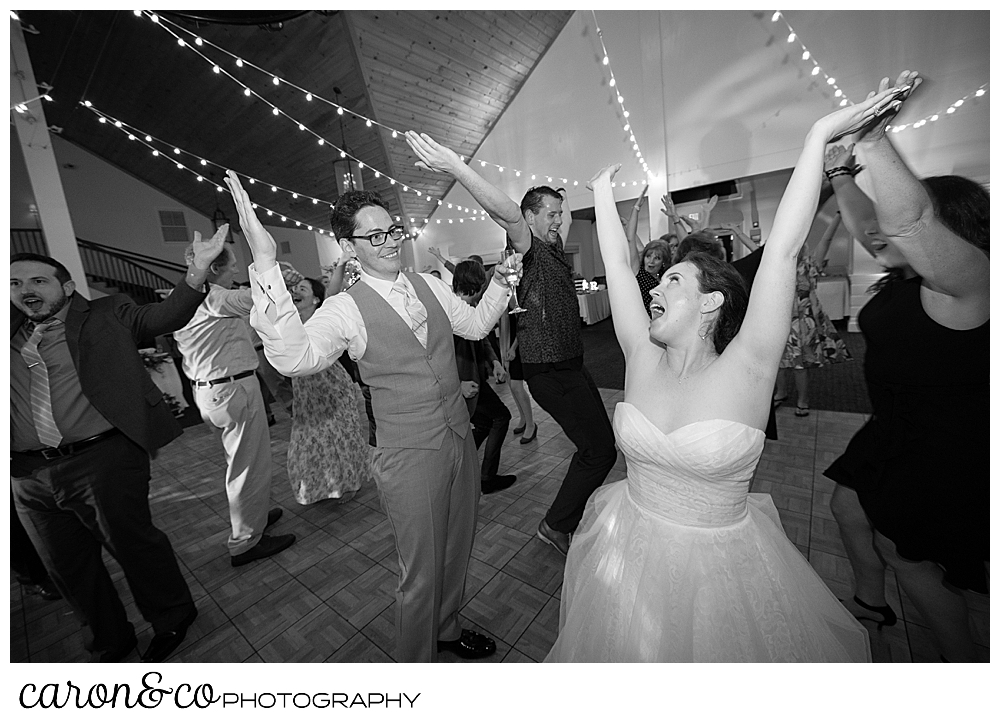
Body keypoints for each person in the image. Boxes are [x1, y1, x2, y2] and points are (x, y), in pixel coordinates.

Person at [543, 85, 908, 662]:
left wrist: (817, 137)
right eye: (658, 282)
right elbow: (616, 263)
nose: (655, 289)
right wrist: (603, 193)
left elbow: (784, 249)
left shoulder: (750, 363)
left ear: (712, 304)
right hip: (626, 553)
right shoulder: (640, 354)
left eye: (673, 282)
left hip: (721, 580)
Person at [226, 170, 518, 663]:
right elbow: (295, 358)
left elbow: (474, 323)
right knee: (419, 570)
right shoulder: (344, 309)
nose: (389, 242)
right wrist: (265, 261)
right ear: (348, 246)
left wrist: (502, 282)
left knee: (456, 547)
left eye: (393, 231)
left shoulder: (430, 283)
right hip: (408, 453)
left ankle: (446, 630)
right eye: (374, 235)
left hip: (457, 438)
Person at [822, 72, 989, 663]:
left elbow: (907, 222)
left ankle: (963, 663)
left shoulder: (971, 286)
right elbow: (876, 225)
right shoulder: (909, 277)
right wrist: (841, 173)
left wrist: (870, 140)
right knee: (847, 506)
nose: (882, 231)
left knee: (908, 554)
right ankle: (871, 602)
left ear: (959, 232)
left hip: (949, 443)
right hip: (895, 426)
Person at [10, 232, 226, 663]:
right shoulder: (12, 333)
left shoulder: (108, 313)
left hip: (102, 459)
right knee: (67, 567)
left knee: (133, 546)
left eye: (38, 281)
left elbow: (165, 315)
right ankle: (110, 639)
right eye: (14, 284)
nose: (26, 291)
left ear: (67, 288)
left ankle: (172, 616)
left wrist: (197, 271)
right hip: (27, 475)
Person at [405, 130, 618, 558]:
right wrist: (456, 168)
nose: (559, 219)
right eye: (551, 213)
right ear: (531, 218)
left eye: (560, 212)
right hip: (552, 372)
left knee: (602, 449)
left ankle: (559, 521)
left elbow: (564, 217)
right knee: (598, 453)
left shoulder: (554, 245)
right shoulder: (528, 245)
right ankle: (556, 524)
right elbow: (507, 213)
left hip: (572, 366)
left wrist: (599, 189)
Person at [173, 243, 294, 568]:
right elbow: (247, 299)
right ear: (214, 270)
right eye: (231, 267)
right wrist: (271, 276)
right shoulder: (211, 297)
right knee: (247, 467)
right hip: (231, 390)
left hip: (214, 391)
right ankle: (245, 542)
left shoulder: (182, 297)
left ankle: (253, 518)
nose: (237, 272)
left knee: (240, 464)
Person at [286, 276, 368, 504]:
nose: (296, 292)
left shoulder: (322, 318)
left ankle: (348, 484)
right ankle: (319, 488)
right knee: (309, 441)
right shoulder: (290, 322)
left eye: (303, 289)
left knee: (339, 437)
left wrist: (341, 264)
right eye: (295, 288)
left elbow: (331, 293)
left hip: (331, 388)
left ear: (315, 299)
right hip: (305, 393)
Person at [772, 210, 852, 417]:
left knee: (800, 363)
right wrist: (737, 231)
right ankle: (781, 392)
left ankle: (803, 400)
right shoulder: (777, 265)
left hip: (803, 320)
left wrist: (837, 217)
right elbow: (755, 250)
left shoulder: (809, 263)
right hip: (780, 316)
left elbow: (827, 239)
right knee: (778, 361)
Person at [451, 260, 518, 495]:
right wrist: (457, 386)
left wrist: (496, 362)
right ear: (478, 284)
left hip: (476, 381)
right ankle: (486, 478)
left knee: (484, 423)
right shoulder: (450, 311)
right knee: (501, 418)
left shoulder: (471, 306)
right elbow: (438, 358)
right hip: (466, 386)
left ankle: (465, 470)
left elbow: (482, 339)